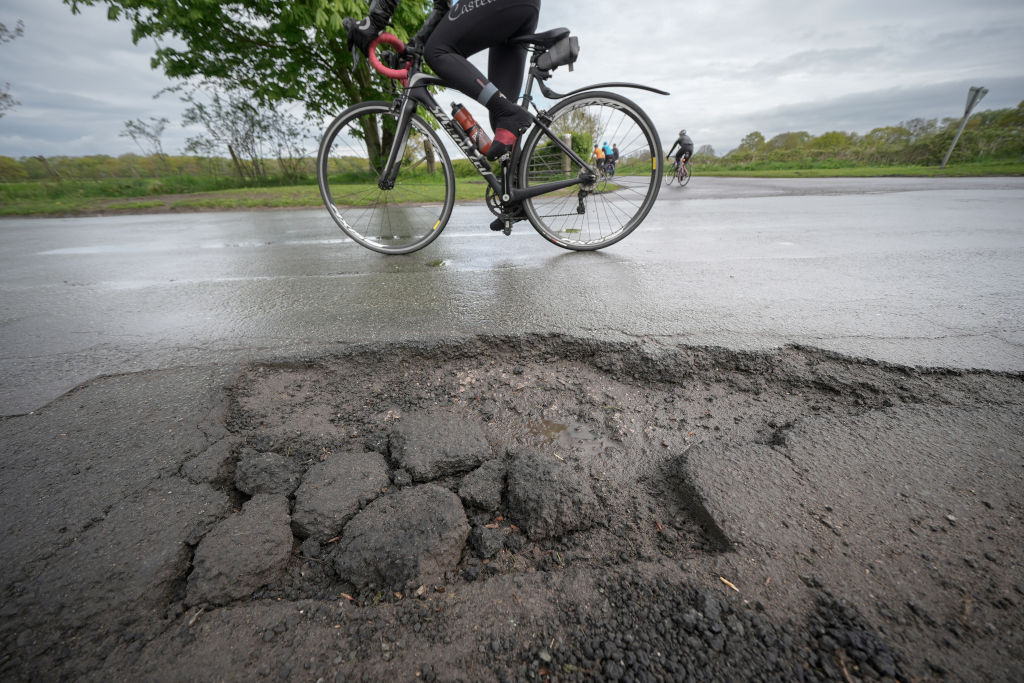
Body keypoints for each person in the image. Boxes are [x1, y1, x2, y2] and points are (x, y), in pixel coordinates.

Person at [345, 0, 540, 163]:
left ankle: (510, 113)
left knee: (437, 51)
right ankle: (519, 202)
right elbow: (442, 7)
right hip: (524, 8)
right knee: (502, 123)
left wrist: (375, 20)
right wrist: (416, 45)